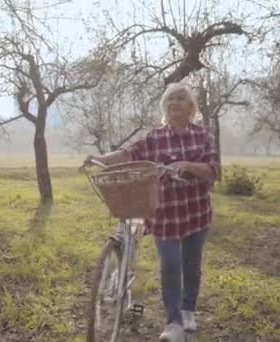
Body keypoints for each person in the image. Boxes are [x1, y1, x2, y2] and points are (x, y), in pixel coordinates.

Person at [84, 82, 219, 342]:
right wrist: (100, 158)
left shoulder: (202, 135)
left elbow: (214, 169)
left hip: (196, 210)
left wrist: (187, 165)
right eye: (169, 99)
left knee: (192, 264)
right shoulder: (154, 137)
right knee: (170, 264)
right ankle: (173, 323)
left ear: (191, 107)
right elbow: (129, 153)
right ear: (164, 107)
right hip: (164, 212)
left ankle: (189, 308)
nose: (174, 103)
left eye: (180, 98)